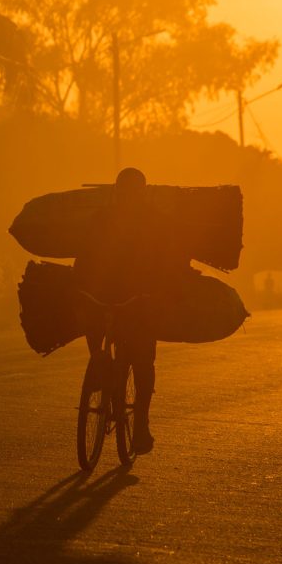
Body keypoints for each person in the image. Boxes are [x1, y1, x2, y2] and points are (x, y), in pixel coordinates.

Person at [72, 167, 194, 455]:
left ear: (140, 193)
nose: (127, 197)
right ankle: (100, 365)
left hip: (141, 300)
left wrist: (163, 291)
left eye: (130, 192)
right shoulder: (103, 220)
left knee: (141, 361)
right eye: (123, 192)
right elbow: (86, 255)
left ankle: (140, 422)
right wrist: (78, 285)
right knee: (97, 330)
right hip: (107, 295)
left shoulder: (156, 223)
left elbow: (169, 261)